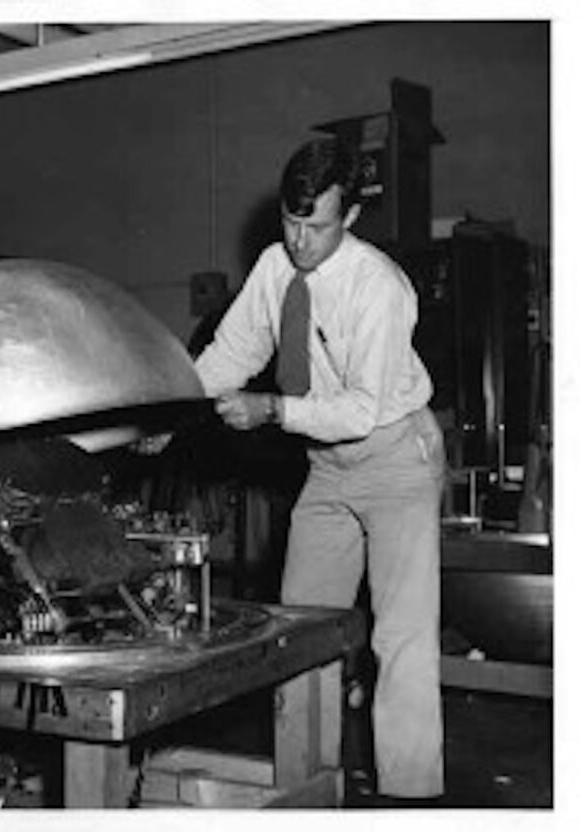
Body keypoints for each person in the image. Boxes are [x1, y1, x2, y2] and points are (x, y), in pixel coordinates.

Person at [192, 137, 445, 802]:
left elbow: (361, 410)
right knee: (299, 631)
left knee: (402, 637)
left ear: (352, 216)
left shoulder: (379, 288)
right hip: (328, 466)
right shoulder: (277, 267)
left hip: (394, 455)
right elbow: (230, 352)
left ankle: (411, 799)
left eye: (318, 226)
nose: (300, 241)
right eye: (290, 222)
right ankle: (307, 786)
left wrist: (271, 408)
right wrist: (168, 412)